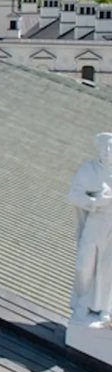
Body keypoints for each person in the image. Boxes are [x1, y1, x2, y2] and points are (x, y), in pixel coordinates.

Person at [67, 132, 112, 328]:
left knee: (108, 269)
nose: (109, 151)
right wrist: (95, 202)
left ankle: (105, 309)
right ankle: (83, 303)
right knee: (85, 265)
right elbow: (73, 195)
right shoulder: (90, 170)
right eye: (106, 147)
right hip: (96, 224)